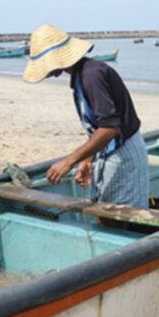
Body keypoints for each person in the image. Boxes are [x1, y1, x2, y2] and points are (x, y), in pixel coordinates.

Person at [22, 24, 149, 211]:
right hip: (109, 152)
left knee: (121, 215)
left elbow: (110, 128)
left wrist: (69, 161)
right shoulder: (80, 77)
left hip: (124, 155)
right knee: (103, 209)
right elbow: (101, 126)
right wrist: (88, 159)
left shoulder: (91, 75)